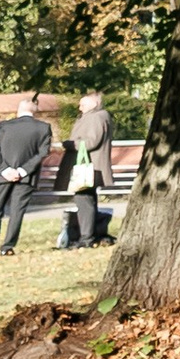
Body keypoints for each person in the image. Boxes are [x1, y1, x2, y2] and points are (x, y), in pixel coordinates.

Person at [0, 95, 55, 258]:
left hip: (1, 176)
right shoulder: (43, 128)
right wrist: (22, 171)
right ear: (35, 111)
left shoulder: (3, 126)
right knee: (17, 212)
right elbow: (43, 153)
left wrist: (4, 169)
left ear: (19, 109)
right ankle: (7, 246)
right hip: (26, 177)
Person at [58, 91, 114, 248]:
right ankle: (91, 235)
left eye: (83, 104)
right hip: (91, 166)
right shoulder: (97, 116)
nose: (79, 107)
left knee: (84, 201)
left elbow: (91, 141)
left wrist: (70, 144)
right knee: (88, 200)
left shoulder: (96, 117)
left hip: (88, 167)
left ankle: (86, 238)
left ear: (94, 104)